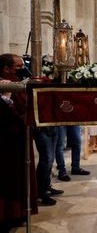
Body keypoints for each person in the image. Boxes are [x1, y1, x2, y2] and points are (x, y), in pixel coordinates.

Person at [0, 53, 38, 231]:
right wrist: (7, 98)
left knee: (22, 176)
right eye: (19, 66)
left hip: (21, 136)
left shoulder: (16, 81)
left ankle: (20, 212)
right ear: (6, 68)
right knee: (9, 178)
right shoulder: (6, 83)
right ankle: (8, 215)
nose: (23, 69)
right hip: (7, 140)